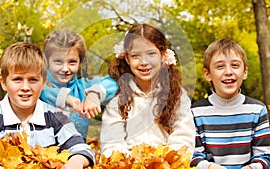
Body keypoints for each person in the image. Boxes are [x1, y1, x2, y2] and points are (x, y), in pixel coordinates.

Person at [0, 42, 95, 169]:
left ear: (43, 83)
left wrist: (76, 161)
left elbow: (82, 149)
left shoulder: (55, 117)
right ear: (3, 83)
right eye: (17, 79)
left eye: (33, 80)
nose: (25, 87)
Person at [100, 23, 195, 157]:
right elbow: (112, 144)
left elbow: (183, 140)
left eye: (151, 53)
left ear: (162, 56)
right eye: (136, 55)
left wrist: (161, 163)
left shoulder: (177, 96)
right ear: (127, 58)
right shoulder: (118, 98)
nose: (144, 62)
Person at [191, 38, 270, 169]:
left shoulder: (257, 110)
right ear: (207, 74)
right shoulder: (196, 112)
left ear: (245, 72)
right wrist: (210, 167)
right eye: (220, 66)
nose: (228, 72)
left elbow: (265, 156)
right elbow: (193, 155)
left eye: (235, 65)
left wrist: (252, 168)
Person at [40, 29, 118, 141]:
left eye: (72, 62)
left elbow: (114, 82)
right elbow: (43, 91)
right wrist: (66, 98)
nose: (65, 68)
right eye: (58, 61)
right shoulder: (40, 85)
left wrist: (95, 93)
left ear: (80, 62)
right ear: (47, 61)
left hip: (78, 153)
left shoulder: (84, 87)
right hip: (41, 154)